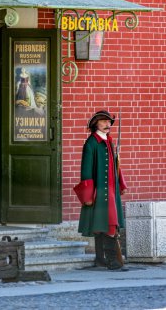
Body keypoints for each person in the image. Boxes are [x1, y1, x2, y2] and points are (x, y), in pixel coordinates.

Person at [78, 110, 128, 270]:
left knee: (103, 225)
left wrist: (121, 184)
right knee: (107, 225)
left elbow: (115, 166)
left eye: (109, 122)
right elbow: (85, 171)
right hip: (99, 192)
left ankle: (101, 259)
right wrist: (87, 195)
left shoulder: (109, 141)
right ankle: (113, 262)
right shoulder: (91, 143)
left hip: (112, 191)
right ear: (96, 124)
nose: (108, 125)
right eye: (104, 121)